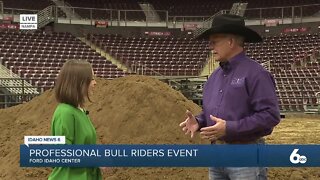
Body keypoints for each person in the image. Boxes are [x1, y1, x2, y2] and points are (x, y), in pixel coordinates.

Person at [179, 14, 280, 180]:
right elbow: (211, 112)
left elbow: (270, 116)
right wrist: (199, 121)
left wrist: (230, 128)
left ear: (231, 42)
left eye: (214, 41)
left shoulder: (257, 74)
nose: (210, 46)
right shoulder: (214, 77)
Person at [48, 60, 102, 180]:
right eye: (91, 79)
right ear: (79, 82)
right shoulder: (65, 113)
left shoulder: (80, 112)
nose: (95, 83)